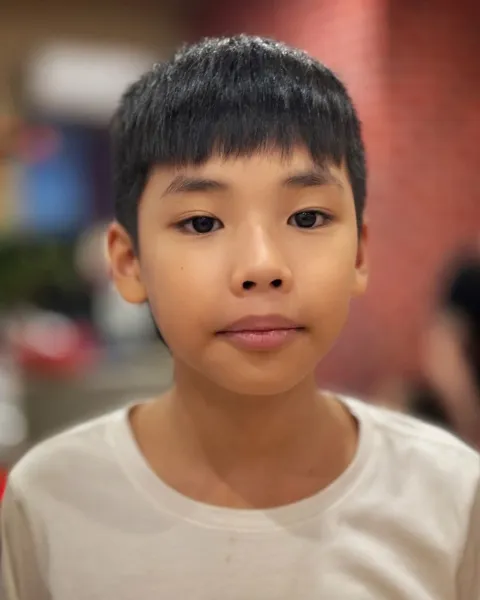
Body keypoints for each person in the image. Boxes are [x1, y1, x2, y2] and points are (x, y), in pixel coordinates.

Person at [1, 35, 479, 599]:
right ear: (128, 263)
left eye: (307, 217)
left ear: (358, 254)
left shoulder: (452, 495)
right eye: (202, 223)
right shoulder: (50, 501)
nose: (262, 266)